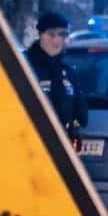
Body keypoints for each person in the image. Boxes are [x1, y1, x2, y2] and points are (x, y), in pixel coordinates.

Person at [24, 11, 88, 147]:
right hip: (31, 144)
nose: (57, 40)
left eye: (63, 34)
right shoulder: (24, 66)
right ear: (40, 35)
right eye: (51, 34)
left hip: (61, 147)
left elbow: (78, 109)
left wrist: (74, 129)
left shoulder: (67, 71)